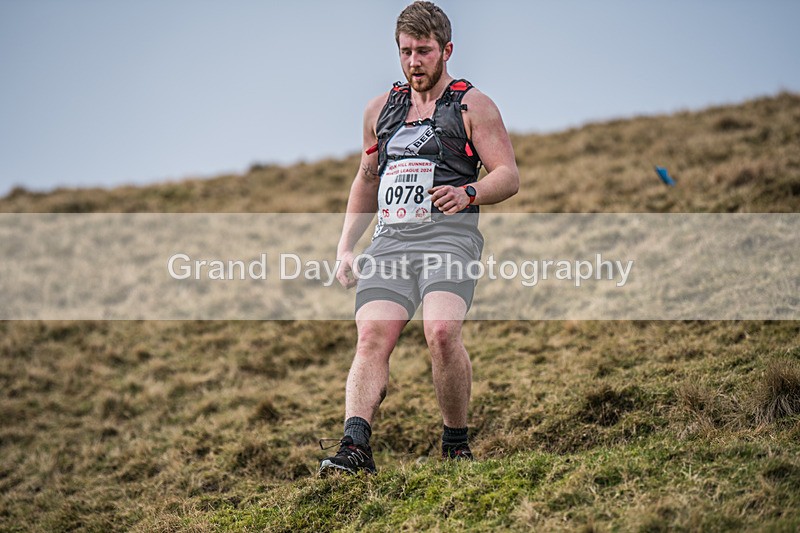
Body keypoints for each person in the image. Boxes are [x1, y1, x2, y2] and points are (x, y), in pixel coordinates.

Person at [319, 1, 519, 475]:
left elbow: (508, 175)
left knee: (442, 332)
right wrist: (346, 246)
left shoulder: (473, 106)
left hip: (449, 239)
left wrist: (470, 190)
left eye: (424, 51)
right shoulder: (380, 110)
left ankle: (455, 444)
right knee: (371, 337)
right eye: (405, 52)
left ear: (447, 50)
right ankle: (355, 448)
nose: (414, 62)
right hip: (389, 243)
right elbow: (367, 179)